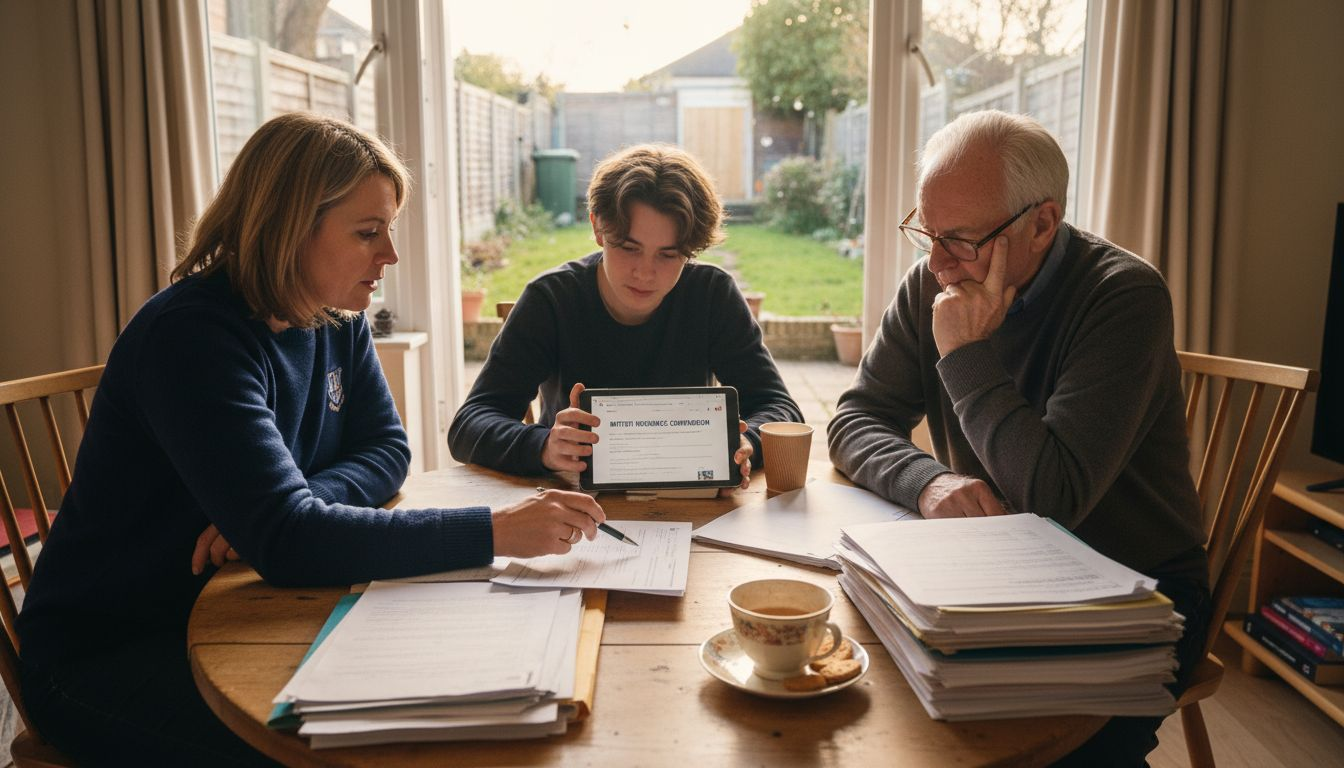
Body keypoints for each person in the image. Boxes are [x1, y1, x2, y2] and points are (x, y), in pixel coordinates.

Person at [16, 112, 606, 767]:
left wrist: (298, 504)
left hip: (252, 604)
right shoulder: (192, 338)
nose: (390, 255)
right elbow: (291, 544)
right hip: (113, 649)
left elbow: (387, 451)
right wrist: (497, 531)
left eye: (389, 229)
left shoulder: (334, 316)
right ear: (288, 227)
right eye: (368, 232)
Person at [826, 110, 1210, 766]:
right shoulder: (935, 282)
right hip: (994, 570)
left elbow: (1051, 498)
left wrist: (964, 353)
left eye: (959, 239)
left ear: (1041, 223)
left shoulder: (1125, 298)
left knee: (1025, 747)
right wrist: (929, 481)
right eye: (926, 232)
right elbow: (855, 418)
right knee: (878, 697)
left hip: (1135, 588)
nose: (937, 263)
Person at [449, 144, 802, 485]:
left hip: (690, 502)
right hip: (573, 500)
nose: (645, 273)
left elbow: (779, 407)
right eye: (629, 248)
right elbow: (470, 423)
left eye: (668, 255)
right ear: (597, 228)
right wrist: (543, 446)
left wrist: (746, 443)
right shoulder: (552, 299)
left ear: (691, 250)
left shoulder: (712, 294)